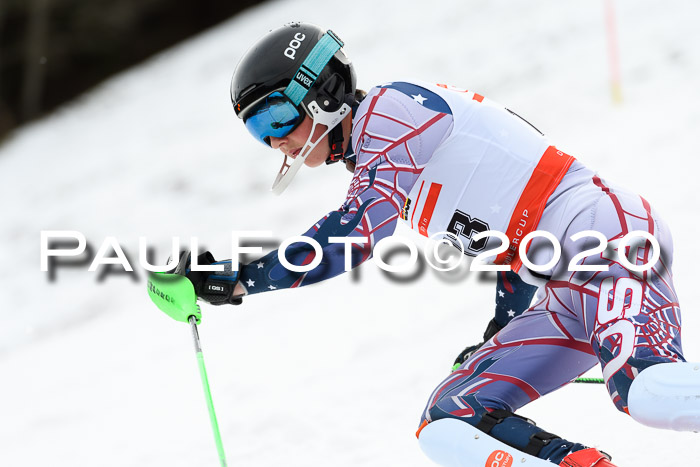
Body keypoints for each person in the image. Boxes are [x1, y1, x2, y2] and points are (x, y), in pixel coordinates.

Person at [177, 22, 699, 467]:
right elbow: (510, 246)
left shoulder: (389, 112)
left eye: (276, 118)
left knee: (643, 392)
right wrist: (499, 329)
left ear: (321, 95)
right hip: (565, 290)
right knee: (449, 422)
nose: (274, 141)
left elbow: (355, 236)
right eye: (256, 130)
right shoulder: (382, 164)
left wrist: (245, 276)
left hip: (603, 237)